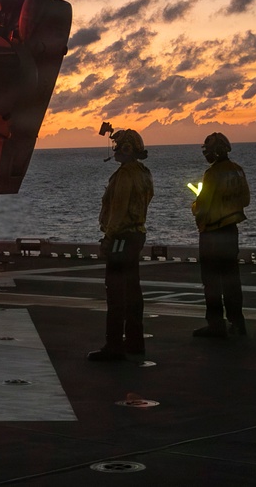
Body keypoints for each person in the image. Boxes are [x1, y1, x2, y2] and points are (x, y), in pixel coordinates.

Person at [88, 128, 154, 361]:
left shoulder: (125, 175)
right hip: (136, 235)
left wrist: (108, 239)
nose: (115, 150)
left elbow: (118, 210)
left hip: (121, 239)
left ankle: (114, 345)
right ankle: (135, 341)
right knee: (133, 291)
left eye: (118, 146)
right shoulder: (144, 173)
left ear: (126, 149)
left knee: (115, 292)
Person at [191, 132, 251, 338]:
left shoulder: (212, 174)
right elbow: (245, 200)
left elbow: (202, 206)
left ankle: (216, 325)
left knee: (212, 282)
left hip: (212, 234)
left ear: (215, 152)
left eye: (208, 151)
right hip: (231, 231)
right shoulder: (237, 171)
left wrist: (195, 205)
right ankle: (238, 323)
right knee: (232, 280)